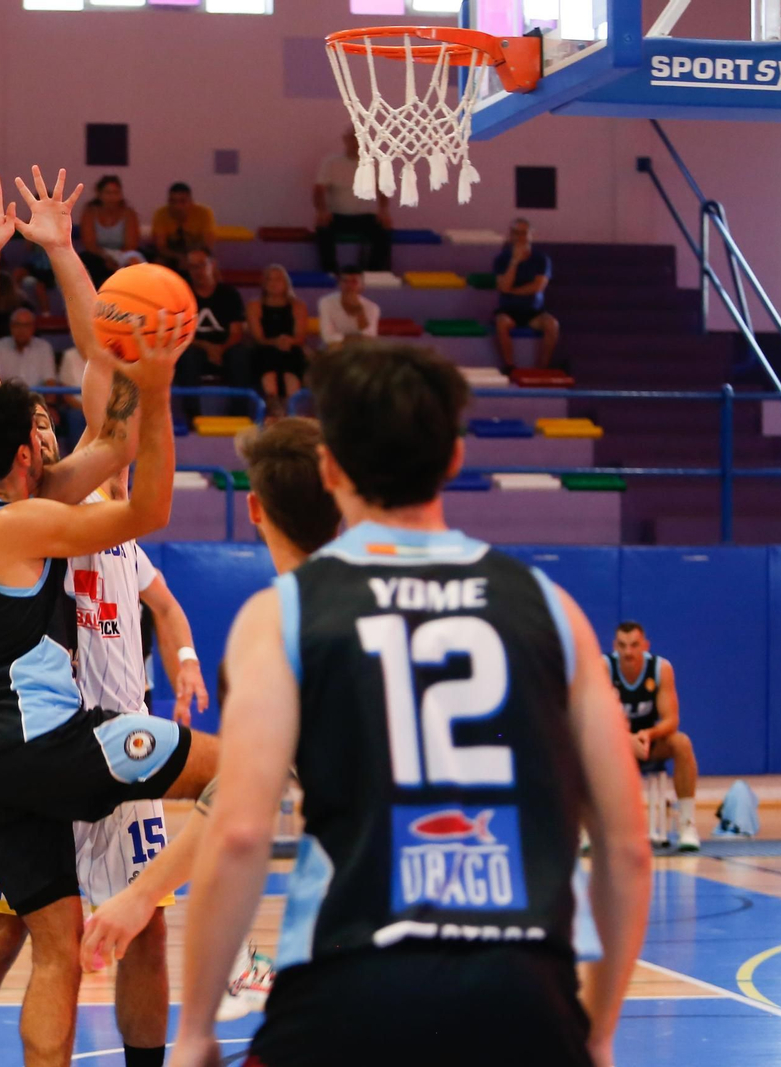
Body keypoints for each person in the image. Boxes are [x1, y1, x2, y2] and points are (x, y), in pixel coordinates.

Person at [168, 342, 651, 1067]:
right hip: (525, 995)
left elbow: (238, 834)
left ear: (331, 469)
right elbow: (626, 846)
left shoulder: (284, 615)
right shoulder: (554, 611)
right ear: (455, 458)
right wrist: (600, 1028)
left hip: (349, 988)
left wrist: (198, 1027)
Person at [0, 167, 219, 1067]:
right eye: (33, 421)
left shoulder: (67, 473)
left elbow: (106, 372)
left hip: (58, 726)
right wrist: (6, 259)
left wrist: (52, 252)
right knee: (6, 932)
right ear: (23, 448)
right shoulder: (38, 503)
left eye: (55, 414)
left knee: (118, 938)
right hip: (56, 732)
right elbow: (2, 377)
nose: (45, 422)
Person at [81, 417, 340, 1008]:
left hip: (354, 929)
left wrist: (142, 895)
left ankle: (230, 963)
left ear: (252, 508)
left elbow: (236, 809)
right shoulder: (452, 595)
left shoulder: (279, 627)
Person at [609, 621, 700, 852]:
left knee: (682, 743)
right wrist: (626, 740)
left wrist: (647, 734)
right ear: (615, 646)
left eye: (634, 645)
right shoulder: (604, 668)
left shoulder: (661, 669)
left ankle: (687, 825)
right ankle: (587, 831)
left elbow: (671, 720)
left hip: (648, 743)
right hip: (613, 746)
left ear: (645, 645)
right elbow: (597, 716)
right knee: (582, 746)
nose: (628, 652)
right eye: (622, 645)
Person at [175, 250, 247, 421]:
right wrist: (207, 347)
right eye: (192, 267)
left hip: (225, 348)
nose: (197, 271)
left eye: (201, 265)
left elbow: (236, 332)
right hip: (195, 347)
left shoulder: (230, 294)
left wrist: (220, 350)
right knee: (188, 355)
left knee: (240, 354)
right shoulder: (182, 295)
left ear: (212, 265)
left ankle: (239, 413)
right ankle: (192, 415)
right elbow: (179, 332)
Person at [313, 128, 392, 273]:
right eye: (353, 138)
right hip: (337, 216)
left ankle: (373, 273)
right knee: (322, 230)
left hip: (365, 217)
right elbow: (319, 190)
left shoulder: (374, 164)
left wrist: (384, 211)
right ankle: (330, 273)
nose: (356, 143)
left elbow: (383, 190)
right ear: (345, 140)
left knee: (384, 232)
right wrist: (322, 211)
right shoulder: (331, 163)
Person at [493, 217, 560, 374]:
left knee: (552, 325)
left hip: (533, 311)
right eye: (516, 233)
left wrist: (513, 291)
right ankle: (510, 366)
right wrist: (515, 262)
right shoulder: (502, 259)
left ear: (531, 235)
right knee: (501, 323)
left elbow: (538, 287)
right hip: (509, 310)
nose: (520, 237)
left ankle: (543, 368)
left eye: (524, 233)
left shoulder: (541, 259)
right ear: (511, 235)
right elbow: (503, 286)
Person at [245, 265, 309, 418]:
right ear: (263, 283)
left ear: (286, 283)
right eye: (269, 279)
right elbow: (258, 337)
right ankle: (273, 403)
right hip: (264, 347)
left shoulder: (298, 306)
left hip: (291, 347)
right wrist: (276, 342)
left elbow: (300, 336)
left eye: (278, 279)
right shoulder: (254, 306)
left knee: (292, 355)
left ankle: (292, 404)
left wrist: (288, 341)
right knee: (268, 355)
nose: (273, 283)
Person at [78, 175, 141, 284]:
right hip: (98, 255)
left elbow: (131, 244)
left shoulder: (128, 213)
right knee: (86, 261)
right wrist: (106, 258)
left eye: (115, 193)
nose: (112, 197)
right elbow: (89, 244)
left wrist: (118, 259)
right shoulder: (90, 212)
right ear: (99, 194)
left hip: (122, 254)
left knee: (134, 262)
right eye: (108, 193)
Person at [149, 182, 215, 274]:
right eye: (173, 202)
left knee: (212, 266)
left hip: (197, 254)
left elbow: (208, 244)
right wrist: (180, 258)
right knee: (157, 265)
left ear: (191, 201)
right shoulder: (161, 214)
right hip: (171, 257)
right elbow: (160, 246)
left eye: (182, 201)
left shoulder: (204, 214)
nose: (177, 206)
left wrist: (191, 258)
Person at [316, 265, 380, 348]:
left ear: (362, 285)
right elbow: (328, 337)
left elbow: (370, 337)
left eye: (354, 282)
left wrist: (359, 312)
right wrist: (354, 339)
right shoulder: (326, 302)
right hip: (333, 349)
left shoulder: (372, 307)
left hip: (360, 350)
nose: (349, 285)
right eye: (345, 281)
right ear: (339, 283)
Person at [0, 307, 57, 390]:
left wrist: (48, 403)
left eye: (26, 325)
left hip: (36, 399)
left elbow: (50, 381)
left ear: (33, 327)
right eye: (17, 325)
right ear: (11, 326)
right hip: (7, 399)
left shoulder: (44, 348)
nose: (21, 330)